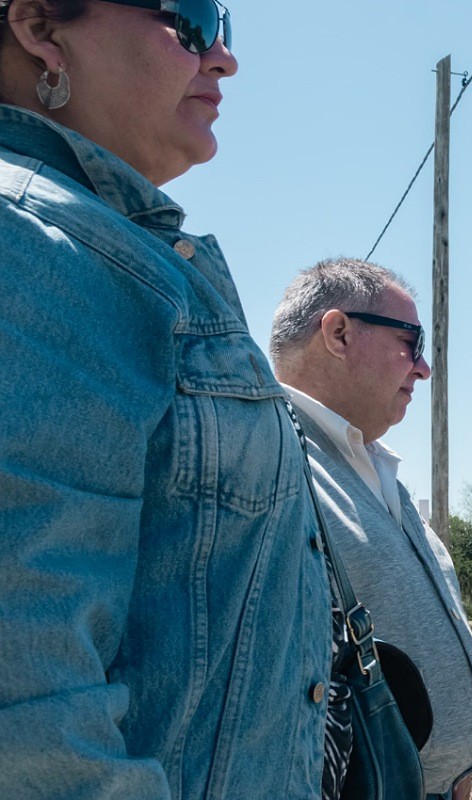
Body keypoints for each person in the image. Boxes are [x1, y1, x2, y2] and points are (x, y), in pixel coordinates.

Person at [0, 2, 338, 798]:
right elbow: (28, 701)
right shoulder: (33, 246)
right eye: (188, 19)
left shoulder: (104, 248)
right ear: (41, 28)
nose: (222, 59)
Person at [269, 258, 472, 800]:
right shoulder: (271, 460)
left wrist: (454, 768)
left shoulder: (370, 462)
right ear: (338, 334)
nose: (423, 368)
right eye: (410, 343)